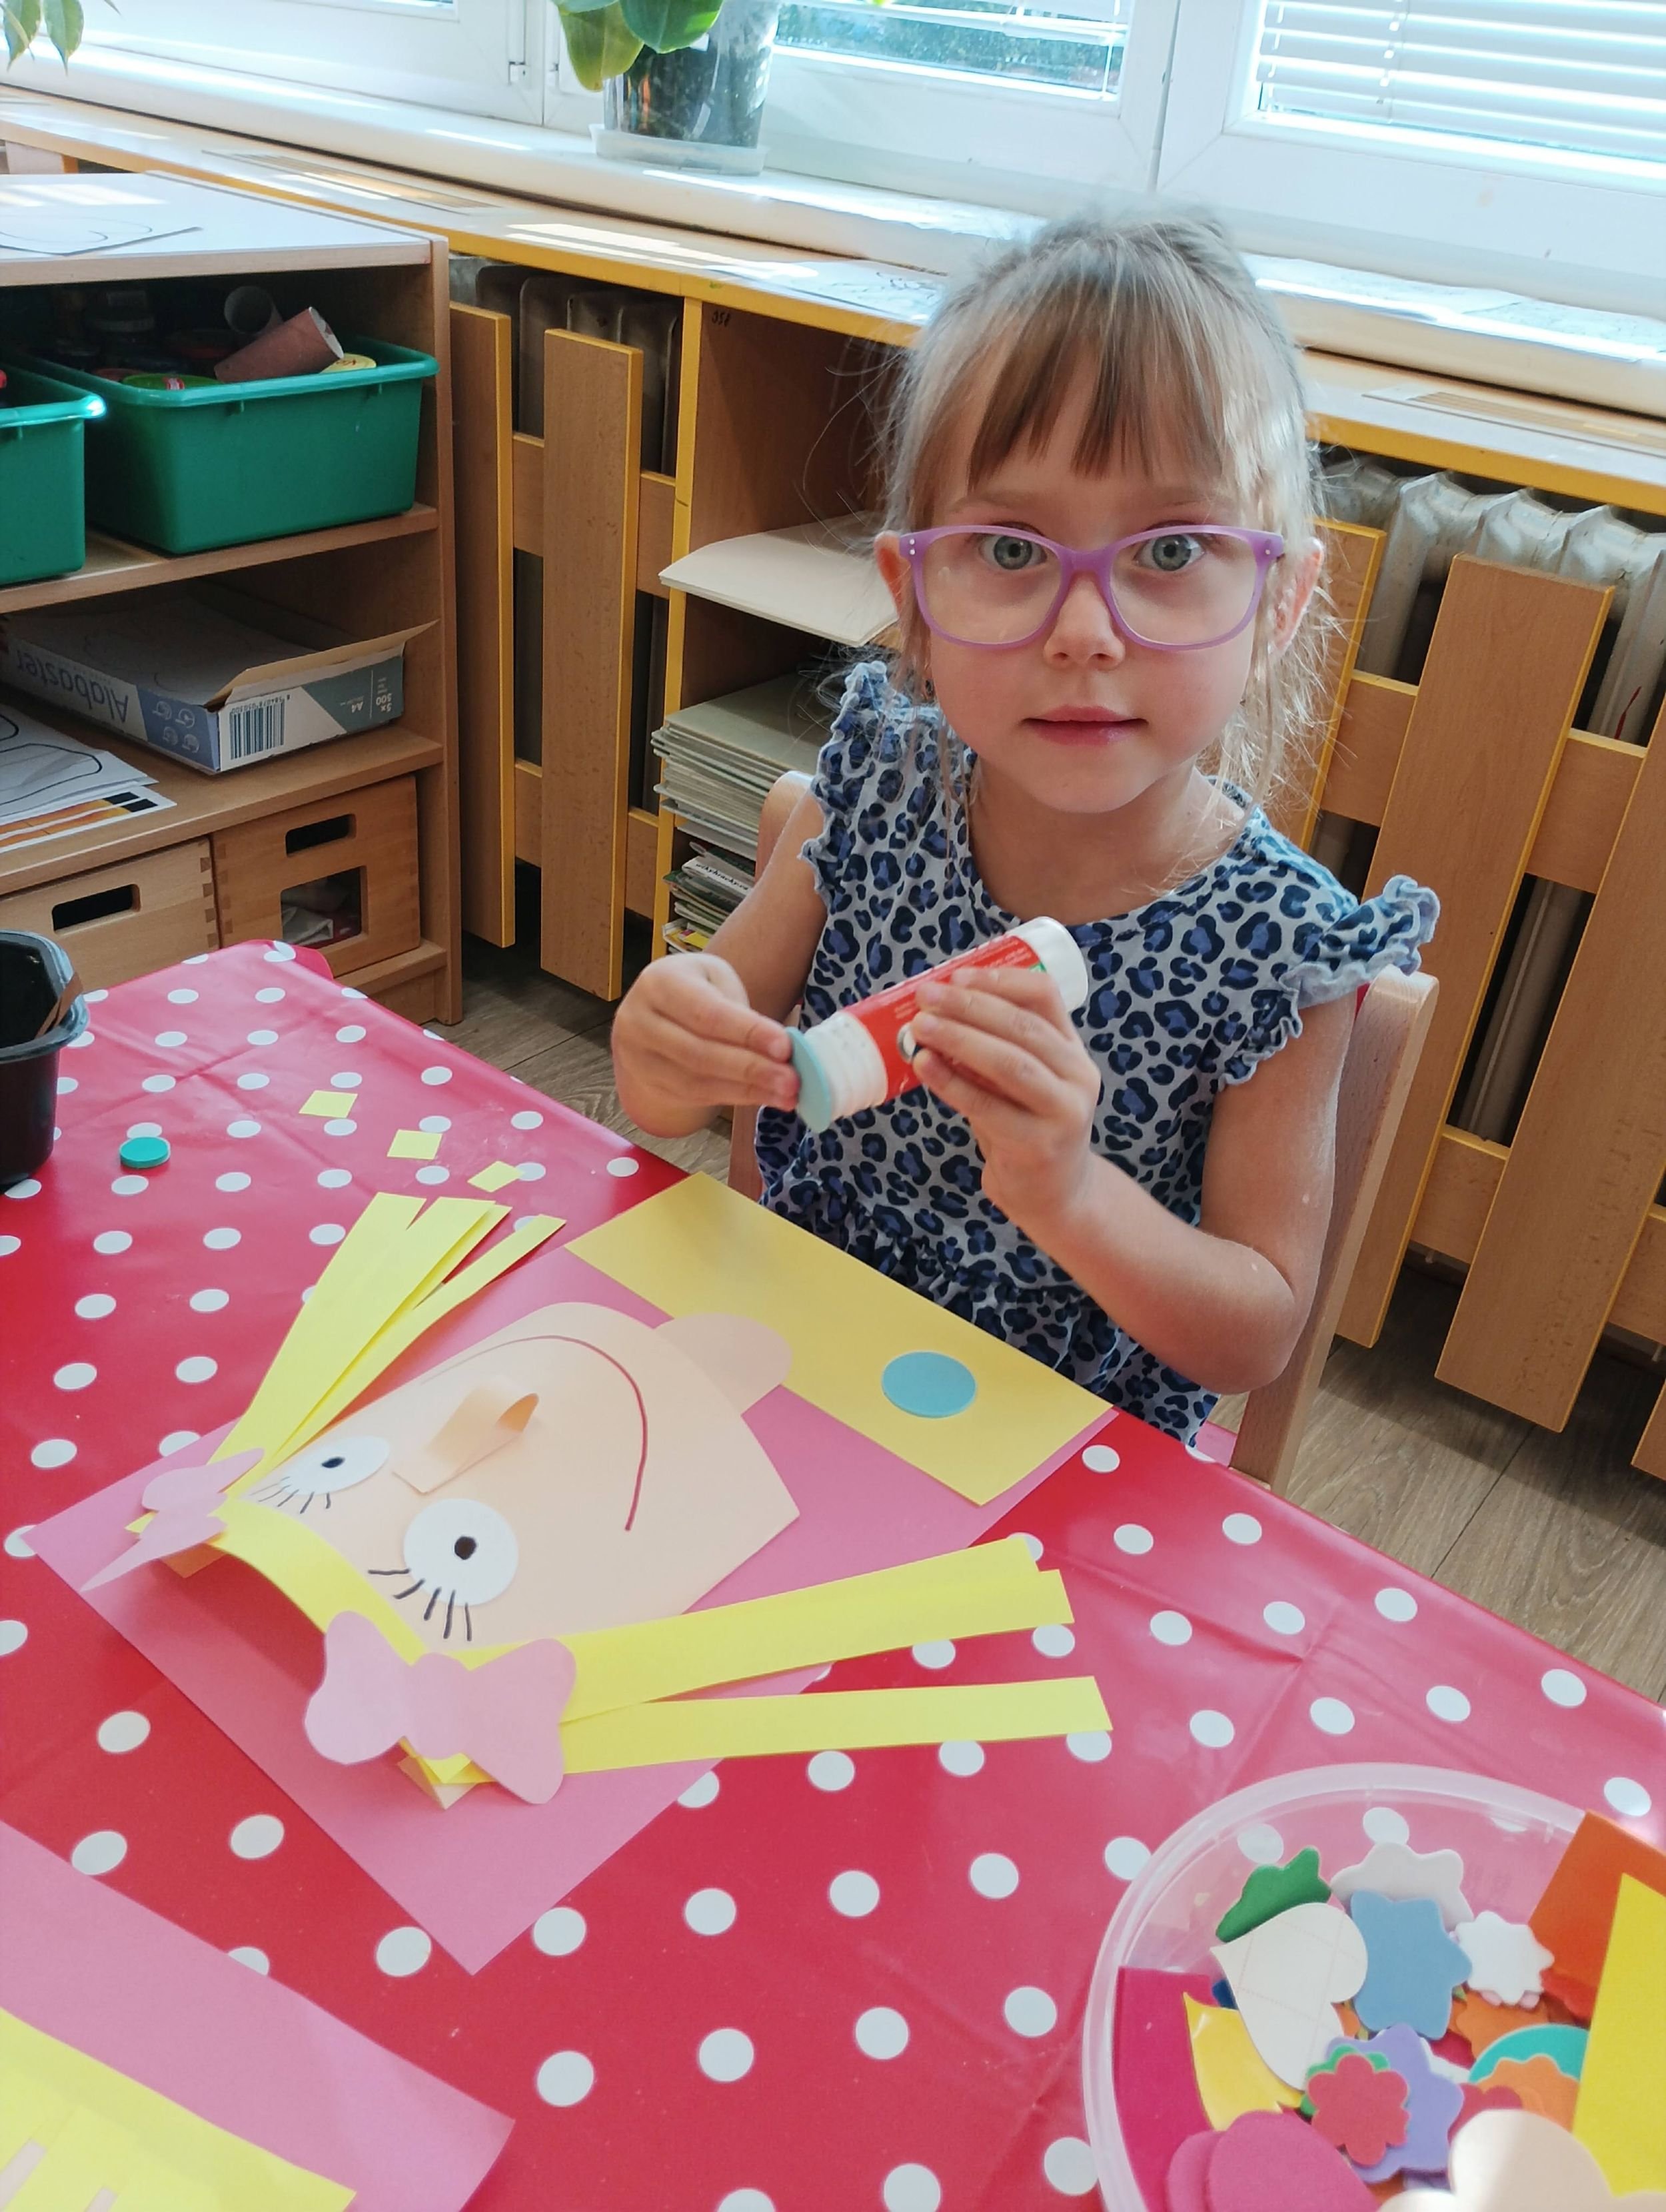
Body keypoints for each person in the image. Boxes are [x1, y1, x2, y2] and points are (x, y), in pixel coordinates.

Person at [612, 211, 1437, 1443]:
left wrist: (1070, 1193)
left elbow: (1254, 1331)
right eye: (1010, 546)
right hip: (794, 1373)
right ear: (915, 599)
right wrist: (660, 1041)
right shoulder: (876, 786)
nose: (1084, 632)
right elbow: (683, 1081)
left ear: (1277, 602)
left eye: (1171, 548)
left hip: (1057, 1454)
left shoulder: (1279, 947)